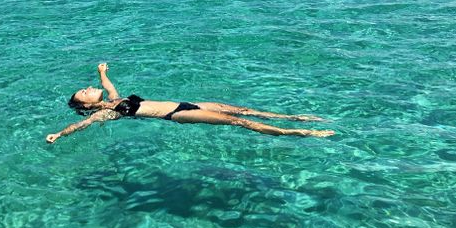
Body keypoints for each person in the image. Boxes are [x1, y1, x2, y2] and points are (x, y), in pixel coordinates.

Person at [46, 63, 334, 143]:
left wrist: (101, 72)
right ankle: (300, 133)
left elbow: (108, 85)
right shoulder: (108, 114)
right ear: (85, 104)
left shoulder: (114, 99)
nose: (87, 89)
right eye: (83, 92)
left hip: (187, 102)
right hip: (175, 114)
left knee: (244, 110)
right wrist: (59, 134)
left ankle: (295, 118)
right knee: (239, 122)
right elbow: (81, 124)